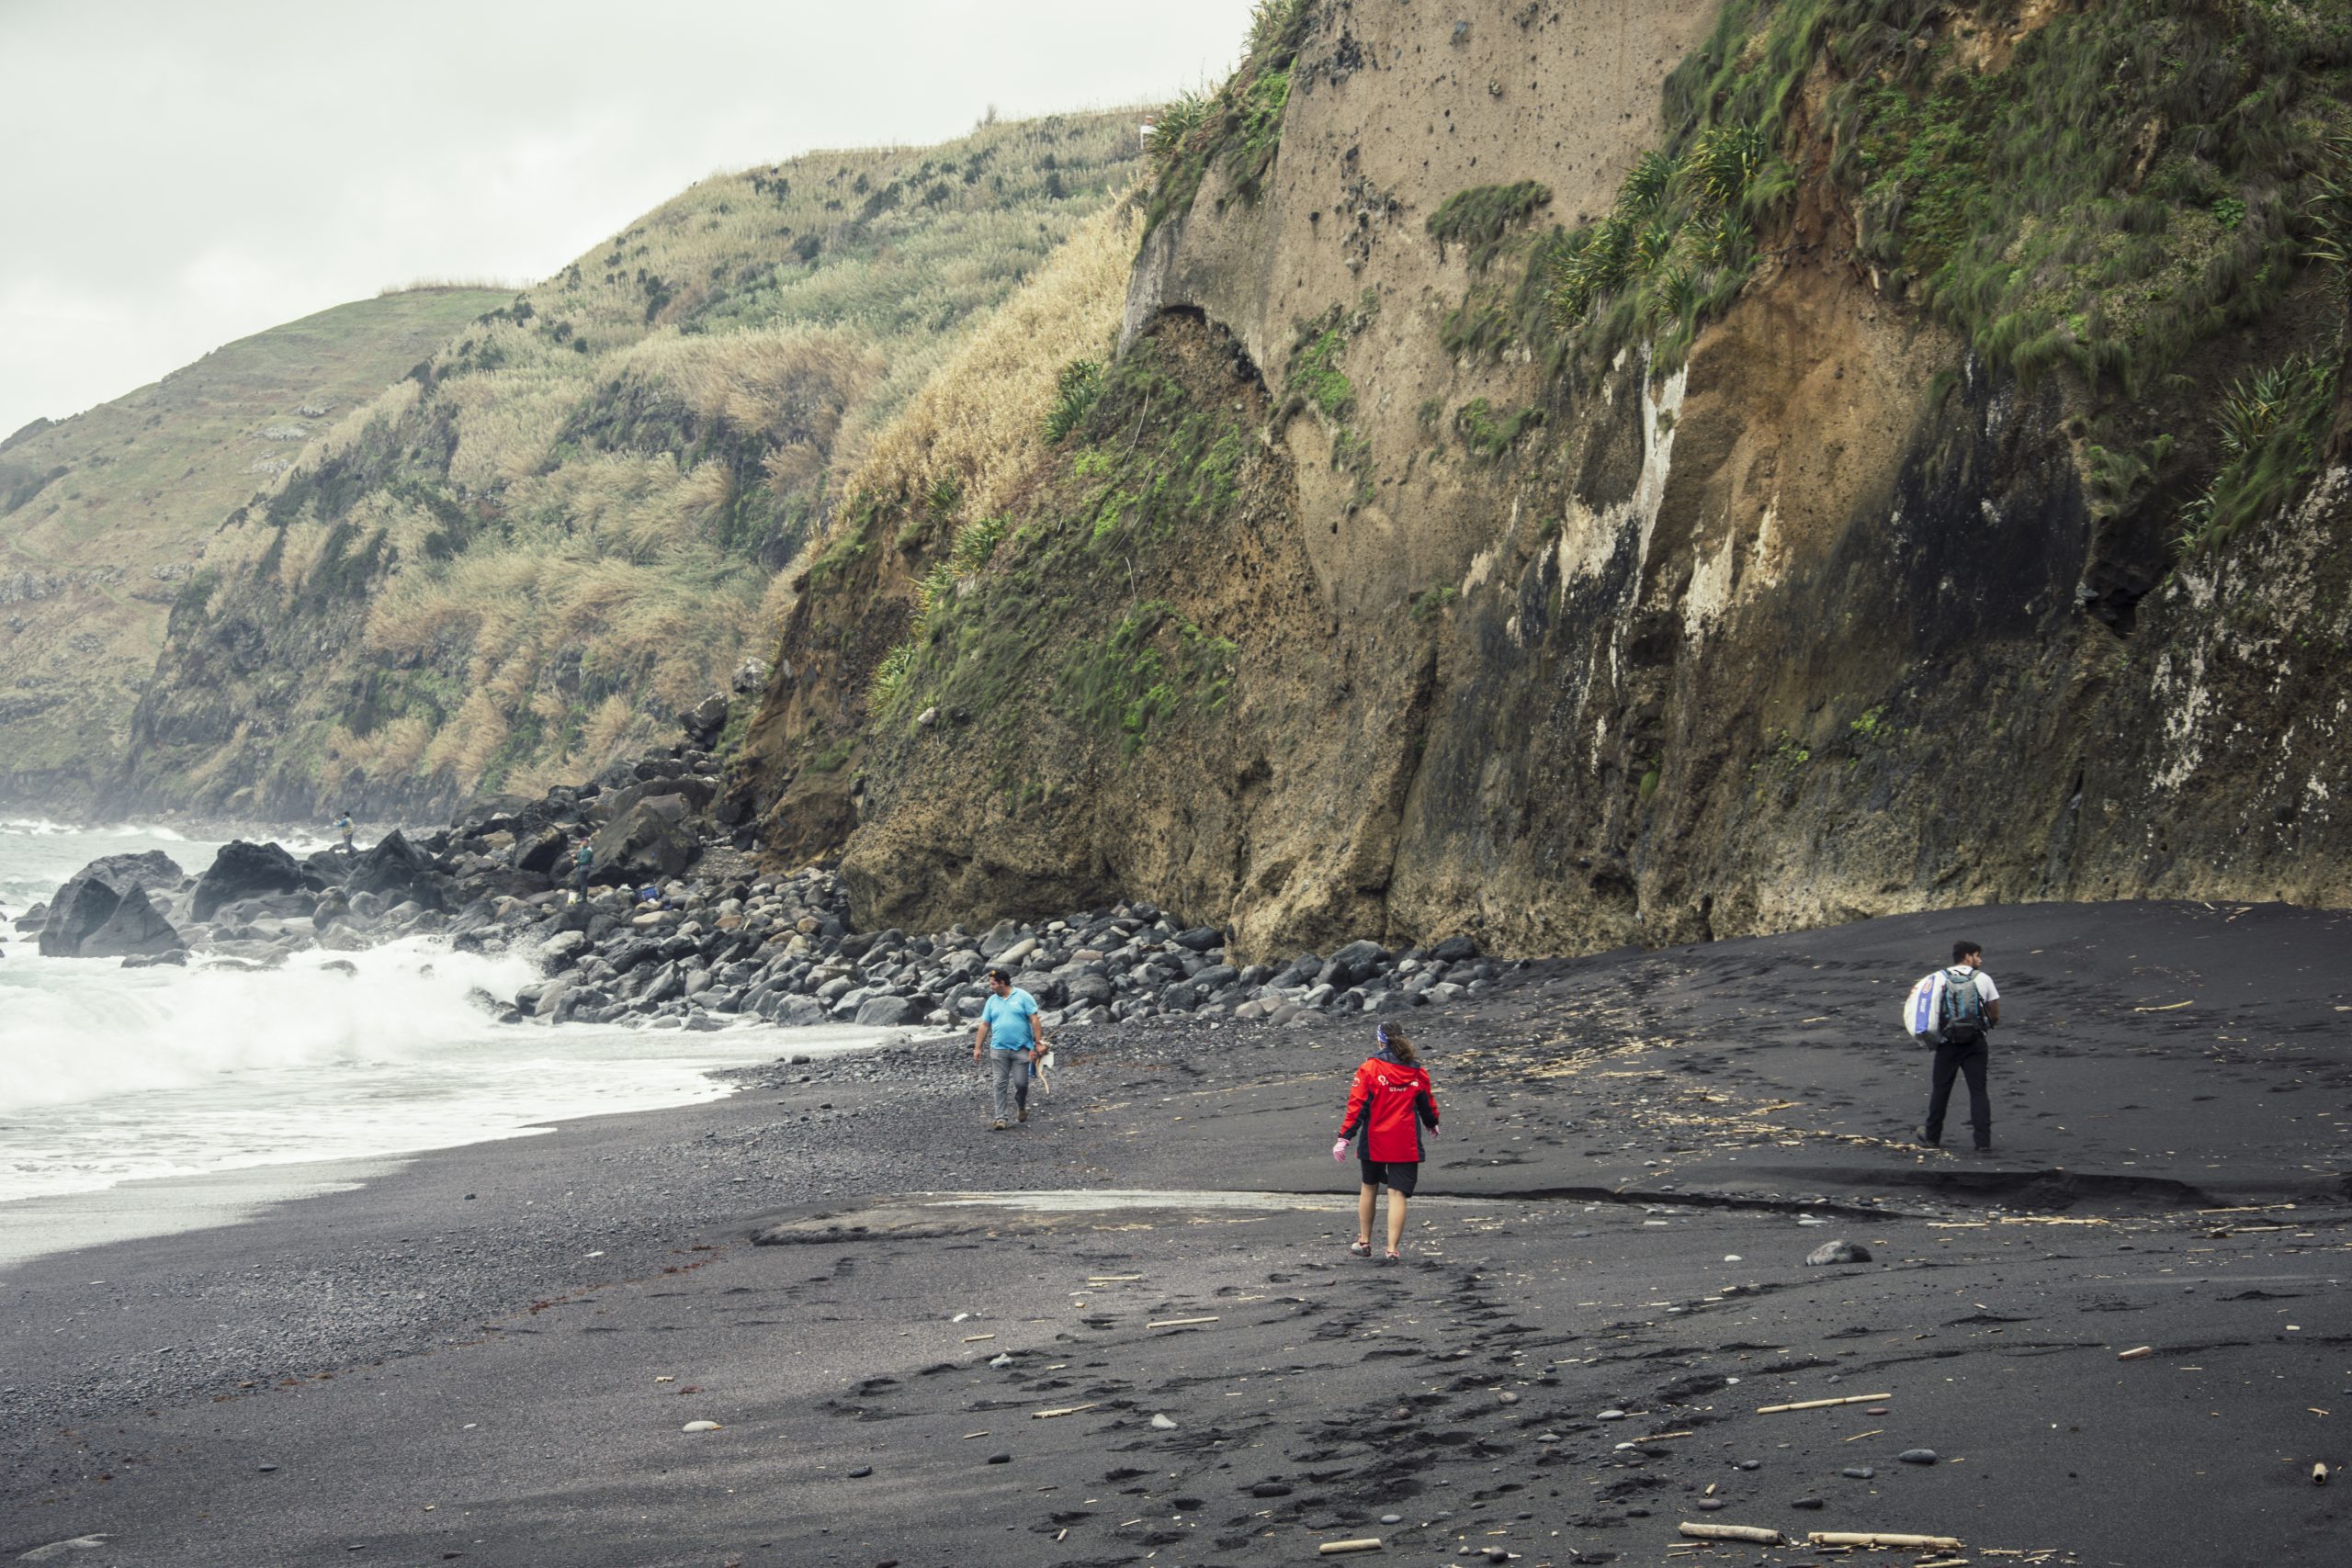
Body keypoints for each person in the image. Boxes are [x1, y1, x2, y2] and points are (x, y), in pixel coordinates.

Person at [1334, 1021, 1440, 1261]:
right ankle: (1392, 1249)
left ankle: (1364, 1241)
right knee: (1397, 1194)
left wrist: (1344, 1138)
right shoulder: (1417, 1071)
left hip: (1375, 1139)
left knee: (1369, 1187)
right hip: (1405, 1140)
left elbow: (1356, 1106)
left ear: (1380, 1040)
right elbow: (1426, 1102)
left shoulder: (1369, 1069)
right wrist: (1432, 1123)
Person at [1917, 939, 2002, 1153]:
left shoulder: (1937, 978)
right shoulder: (1984, 979)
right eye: (1977, 955)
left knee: (1941, 1090)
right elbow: (1995, 1015)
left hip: (1948, 1043)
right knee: (1978, 1092)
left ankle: (1932, 1137)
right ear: (1967, 956)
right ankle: (1983, 1143)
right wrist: (1983, 1026)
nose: (1980, 960)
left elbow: (1927, 1011)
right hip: (1975, 1042)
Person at [973, 967, 1043, 1131]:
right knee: (999, 1083)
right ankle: (1001, 1118)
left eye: (993, 984)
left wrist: (1039, 1043)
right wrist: (978, 1047)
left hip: (1022, 1049)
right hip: (999, 1049)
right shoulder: (991, 1001)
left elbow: (1035, 1020)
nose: (990, 987)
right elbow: (984, 1025)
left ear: (1002, 983)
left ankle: (1021, 1105)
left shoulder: (1023, 997)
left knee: (1021, 1083)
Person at [571, 836, 595, 902]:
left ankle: (584, 898)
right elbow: (580, 856)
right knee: (581, 882)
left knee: (583, 883)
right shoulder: (583, 849)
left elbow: (586, 861)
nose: (581, 842)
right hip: (581, 867)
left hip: (585, 868)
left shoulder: (588, 851)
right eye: (581, 841)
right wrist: (575, 856)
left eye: (582, 841)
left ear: (586, 842)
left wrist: (577, 861)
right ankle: (582, 895)